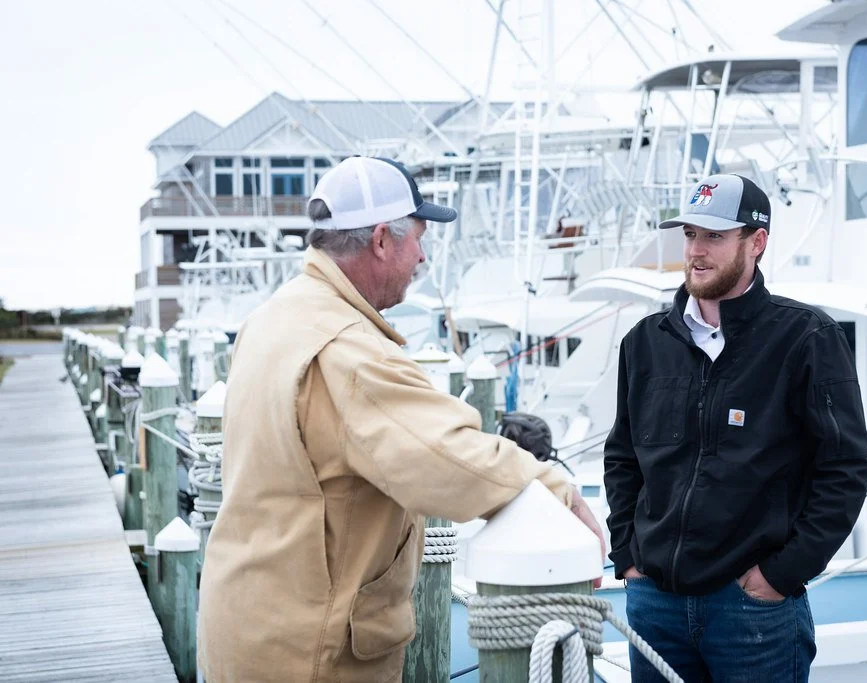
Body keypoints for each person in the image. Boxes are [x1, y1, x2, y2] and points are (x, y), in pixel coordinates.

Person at [198, 156, 604, 682]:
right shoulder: (348, 351)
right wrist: (558, 491)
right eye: (418, 235)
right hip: (310, 653)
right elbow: (448, 459)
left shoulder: (274, 318)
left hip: (248, 625)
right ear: (382, 242)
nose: (423, 253)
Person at [603, 173, 867, 682]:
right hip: (654, 603)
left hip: (754, 610)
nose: (696, 251)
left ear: (757, 242)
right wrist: (628, 559)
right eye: (689, 235)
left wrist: (781, 575)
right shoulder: (645, 342)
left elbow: (845, 470)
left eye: (715, 236)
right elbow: (623, 458)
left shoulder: (807, 339)